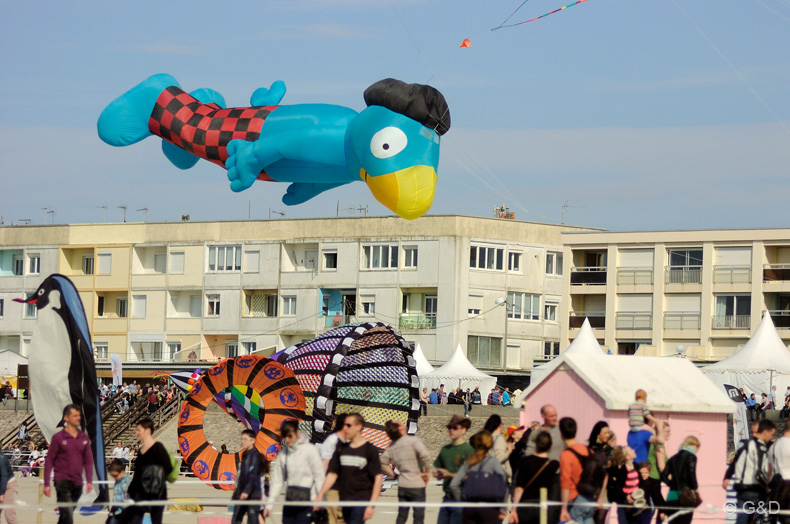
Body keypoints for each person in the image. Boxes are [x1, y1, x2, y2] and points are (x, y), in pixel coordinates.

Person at [315, 414, 382, 524]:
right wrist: (320, 494)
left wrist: (372, 505)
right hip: (343, 499)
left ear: (359, 427)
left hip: (360, 500)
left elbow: (378, 478)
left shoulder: (370, 450)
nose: (345, 428)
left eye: (348, 425)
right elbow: (332, 474)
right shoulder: (341, 448)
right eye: (344, 425)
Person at [43, 404, 94, 524]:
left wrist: (90, 481)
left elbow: (88, 461)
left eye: (79, 415)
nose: (78, 418)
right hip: (62, 481)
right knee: (68, 515)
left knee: (66, 515)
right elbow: (49, 460)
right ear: (66, 418)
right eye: (75, 415)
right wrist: (46, 483)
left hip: (77, 482)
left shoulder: (84, 437)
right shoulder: (58, 438)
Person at [268, 421, 323, 524]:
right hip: (290, 499)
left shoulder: (310, 451)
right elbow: (277, 482)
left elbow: (319, 477)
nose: (287, 440)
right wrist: (270, 505)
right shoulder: (283, 454)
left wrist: (318, 499)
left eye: (290, 436)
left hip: (307, 499)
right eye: (284, 436)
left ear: (297, 433)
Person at [449, 431, 509, 524]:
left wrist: (462, 501)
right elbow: (503, 483)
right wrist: (503, 508)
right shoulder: (493, 462)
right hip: (490, 508)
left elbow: (454, 485)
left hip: (470, 507)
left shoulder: (469, 461)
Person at [123, 418, 174, 524]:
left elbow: (168, 468)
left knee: (156, 521)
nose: (136, 433)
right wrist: (131, 490)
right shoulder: (141, 450)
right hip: (140, 494)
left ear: (148, 431)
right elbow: (137, 474)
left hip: (156, 493)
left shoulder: (158, 448)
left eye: (138, 430)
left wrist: (153, 477)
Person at [380, 420, 431, 524]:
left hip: (402, 483)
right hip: (417, 482)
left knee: (402, 515)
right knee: (418, 515)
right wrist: (427, 472)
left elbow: (383, 463)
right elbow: (425, 456)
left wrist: (394, 475)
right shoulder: (413, 441)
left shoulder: (392, 447)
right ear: (401, 429)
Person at [728, 421, 776, 524]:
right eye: (753, 432)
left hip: (745, 489)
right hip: (756, 490)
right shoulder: (760, 447)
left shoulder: (747, 444)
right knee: (759, 518)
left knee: (743, 518)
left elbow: (736, 462)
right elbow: (760, 471)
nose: (754, 435)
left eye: (755, 432)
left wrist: (727, 477)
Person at [559, 417, 604, 524]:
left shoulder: (566, 455)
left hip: (575, 499)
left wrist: (564, 508)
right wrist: (599, 497)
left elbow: (565, 482)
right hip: (590, 499)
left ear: (561, 433)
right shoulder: (588, 450)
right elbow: (603, 475)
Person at [510, 430, 559, 524]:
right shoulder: (553, 465)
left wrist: (514, 508)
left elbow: (519, 488)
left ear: (536, 444)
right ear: (550, 446)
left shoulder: (525, 461)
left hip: (526, 504)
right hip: (543, 506)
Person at [433, 415, 474, 524]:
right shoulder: (445, 450)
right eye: (449, 428)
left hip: (462, 498)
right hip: (446, 498)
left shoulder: (468, 451)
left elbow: (472, 477)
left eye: (455, 428)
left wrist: (450, 475)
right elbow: (438, 467)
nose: (451, 430)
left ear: (463, 430)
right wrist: (437, 473)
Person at [662, 436, 701, 524]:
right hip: (685, 496)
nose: (697, 450)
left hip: (672, 495)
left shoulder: (673, 458)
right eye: (697, 447)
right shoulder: (691, 457)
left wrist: (671, 484)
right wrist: (695, 487)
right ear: (693, 445)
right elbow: (691, 474)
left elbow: (663, 476)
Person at [230, 429, 265, 524]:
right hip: (242, 492)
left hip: (252, 494)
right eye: (241, 439)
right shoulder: (245, 454)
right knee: (236, 519)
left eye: (245, 439)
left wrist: (246, 491)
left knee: (252, 520)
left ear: (252, 440)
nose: (242, 441)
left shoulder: (255, 455)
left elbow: (253, 475)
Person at [318, 414, 348, 524]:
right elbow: (325, 462)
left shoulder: (351, 439)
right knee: (334, 518)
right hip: (334, 486)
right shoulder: (332, 439)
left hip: (348, 486)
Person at [646, 422, 669, 523]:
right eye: (667, 431)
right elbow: (661, 465)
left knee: (659, 508)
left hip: (652, 479)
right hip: (654, 479)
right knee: (663, 508)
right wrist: (669, 479)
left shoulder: (652, 443)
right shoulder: (660, 445)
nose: (669, 434)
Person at [769, 422, 790, 524]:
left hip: (777, 485)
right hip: (787, 485)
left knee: (779, 515)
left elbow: (769, 469)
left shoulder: (774, 446)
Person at [484, 414, 512, 484]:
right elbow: (498, 458)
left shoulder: (489, 437)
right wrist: (509, 451)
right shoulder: (499, 438)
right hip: (499, 476)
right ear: (500, 425)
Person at [107, 459, 131, 524]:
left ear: (122, 472)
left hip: (126, 512)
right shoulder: (118, 481)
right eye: (112, 476)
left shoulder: (129, 482)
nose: (114, 478)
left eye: (115, 475)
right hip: (116, 510)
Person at [0, 445, 18, 524]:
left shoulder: (2, 458)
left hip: (8, 485)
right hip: (1, 485)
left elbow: (4, 476)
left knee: (9, 515)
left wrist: (1, 494)